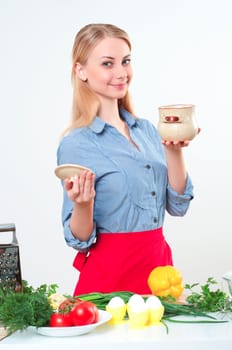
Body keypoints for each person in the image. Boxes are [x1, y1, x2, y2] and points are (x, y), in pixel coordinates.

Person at [57, 23, 195, 296]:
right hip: (110, 280)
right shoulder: (77, 144)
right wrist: (83, 205)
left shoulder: (147, 131)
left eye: (126, 61)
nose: (121, 73)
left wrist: (174, 149)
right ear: (81, 70)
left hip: (160, 274)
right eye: (108, 63)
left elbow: (178, 206)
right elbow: (79, 240)